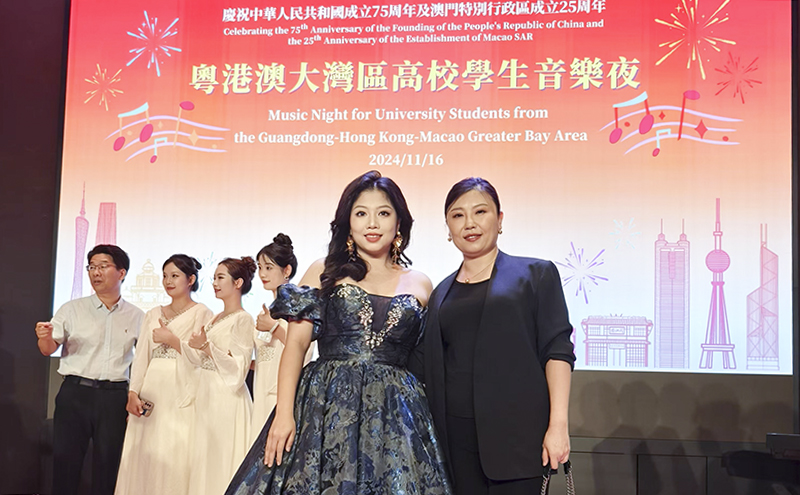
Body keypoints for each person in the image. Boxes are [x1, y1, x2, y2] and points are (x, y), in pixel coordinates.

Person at [225, 171, 452, 494]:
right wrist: (284, 414)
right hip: (326, 407)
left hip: (395, 416)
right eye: (361, 214)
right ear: (348, 221)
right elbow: (296, 346)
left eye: (383, 213)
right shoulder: (324, 270)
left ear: (399, 222)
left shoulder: (421, 283)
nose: (372, 224)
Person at [409, 177, 575, 495]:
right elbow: (421, 363)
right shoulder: (441, 292)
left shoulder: (536, 275)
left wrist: (558, 426)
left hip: (518, 440)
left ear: (499, 220)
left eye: (480, 212)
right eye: (458, 215)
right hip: (454, 444)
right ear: (448, 228)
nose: (469, 223)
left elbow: (557, 351)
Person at [35, 244, 144, 495]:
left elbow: (143, 360)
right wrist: (44, 337)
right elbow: (47, 349)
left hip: (114, 397)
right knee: (66, 463)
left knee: (108, 465)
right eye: (92, 267)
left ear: (121, 273)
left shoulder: (137, 316)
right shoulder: (72, 309)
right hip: (75, 394)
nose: (96, 272)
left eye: (103, 266)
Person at [114, 255, 213, 494]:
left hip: (182, 389)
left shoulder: (202, 313)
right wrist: (133, 392)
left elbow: (202, 358)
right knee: (145, 452)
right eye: (165, 276)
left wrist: (173, 340)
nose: (168, 281)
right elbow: (142, 357)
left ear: (191, 279)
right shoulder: (152, 313)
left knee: (175, 451)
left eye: (175, 276)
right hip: (152, 388)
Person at [182, 257, 256, 495]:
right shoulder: (215, 317)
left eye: (220, 277)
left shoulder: (243, 319)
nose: (214, 283)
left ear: (238, 283)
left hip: (225, 396)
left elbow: (239, 369)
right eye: (214, 278)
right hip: (207, 392)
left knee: (221, 458)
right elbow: (200, 357)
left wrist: (206, 347)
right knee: (204, 457)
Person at [251, 234, 314, 436]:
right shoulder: (266, 310)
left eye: (269, 268)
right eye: (260, 267)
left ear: (286, 270)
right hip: (261, 391)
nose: (262, 274)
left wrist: (274, 328)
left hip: (282, 393)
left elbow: (303, 348)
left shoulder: (298, 307)